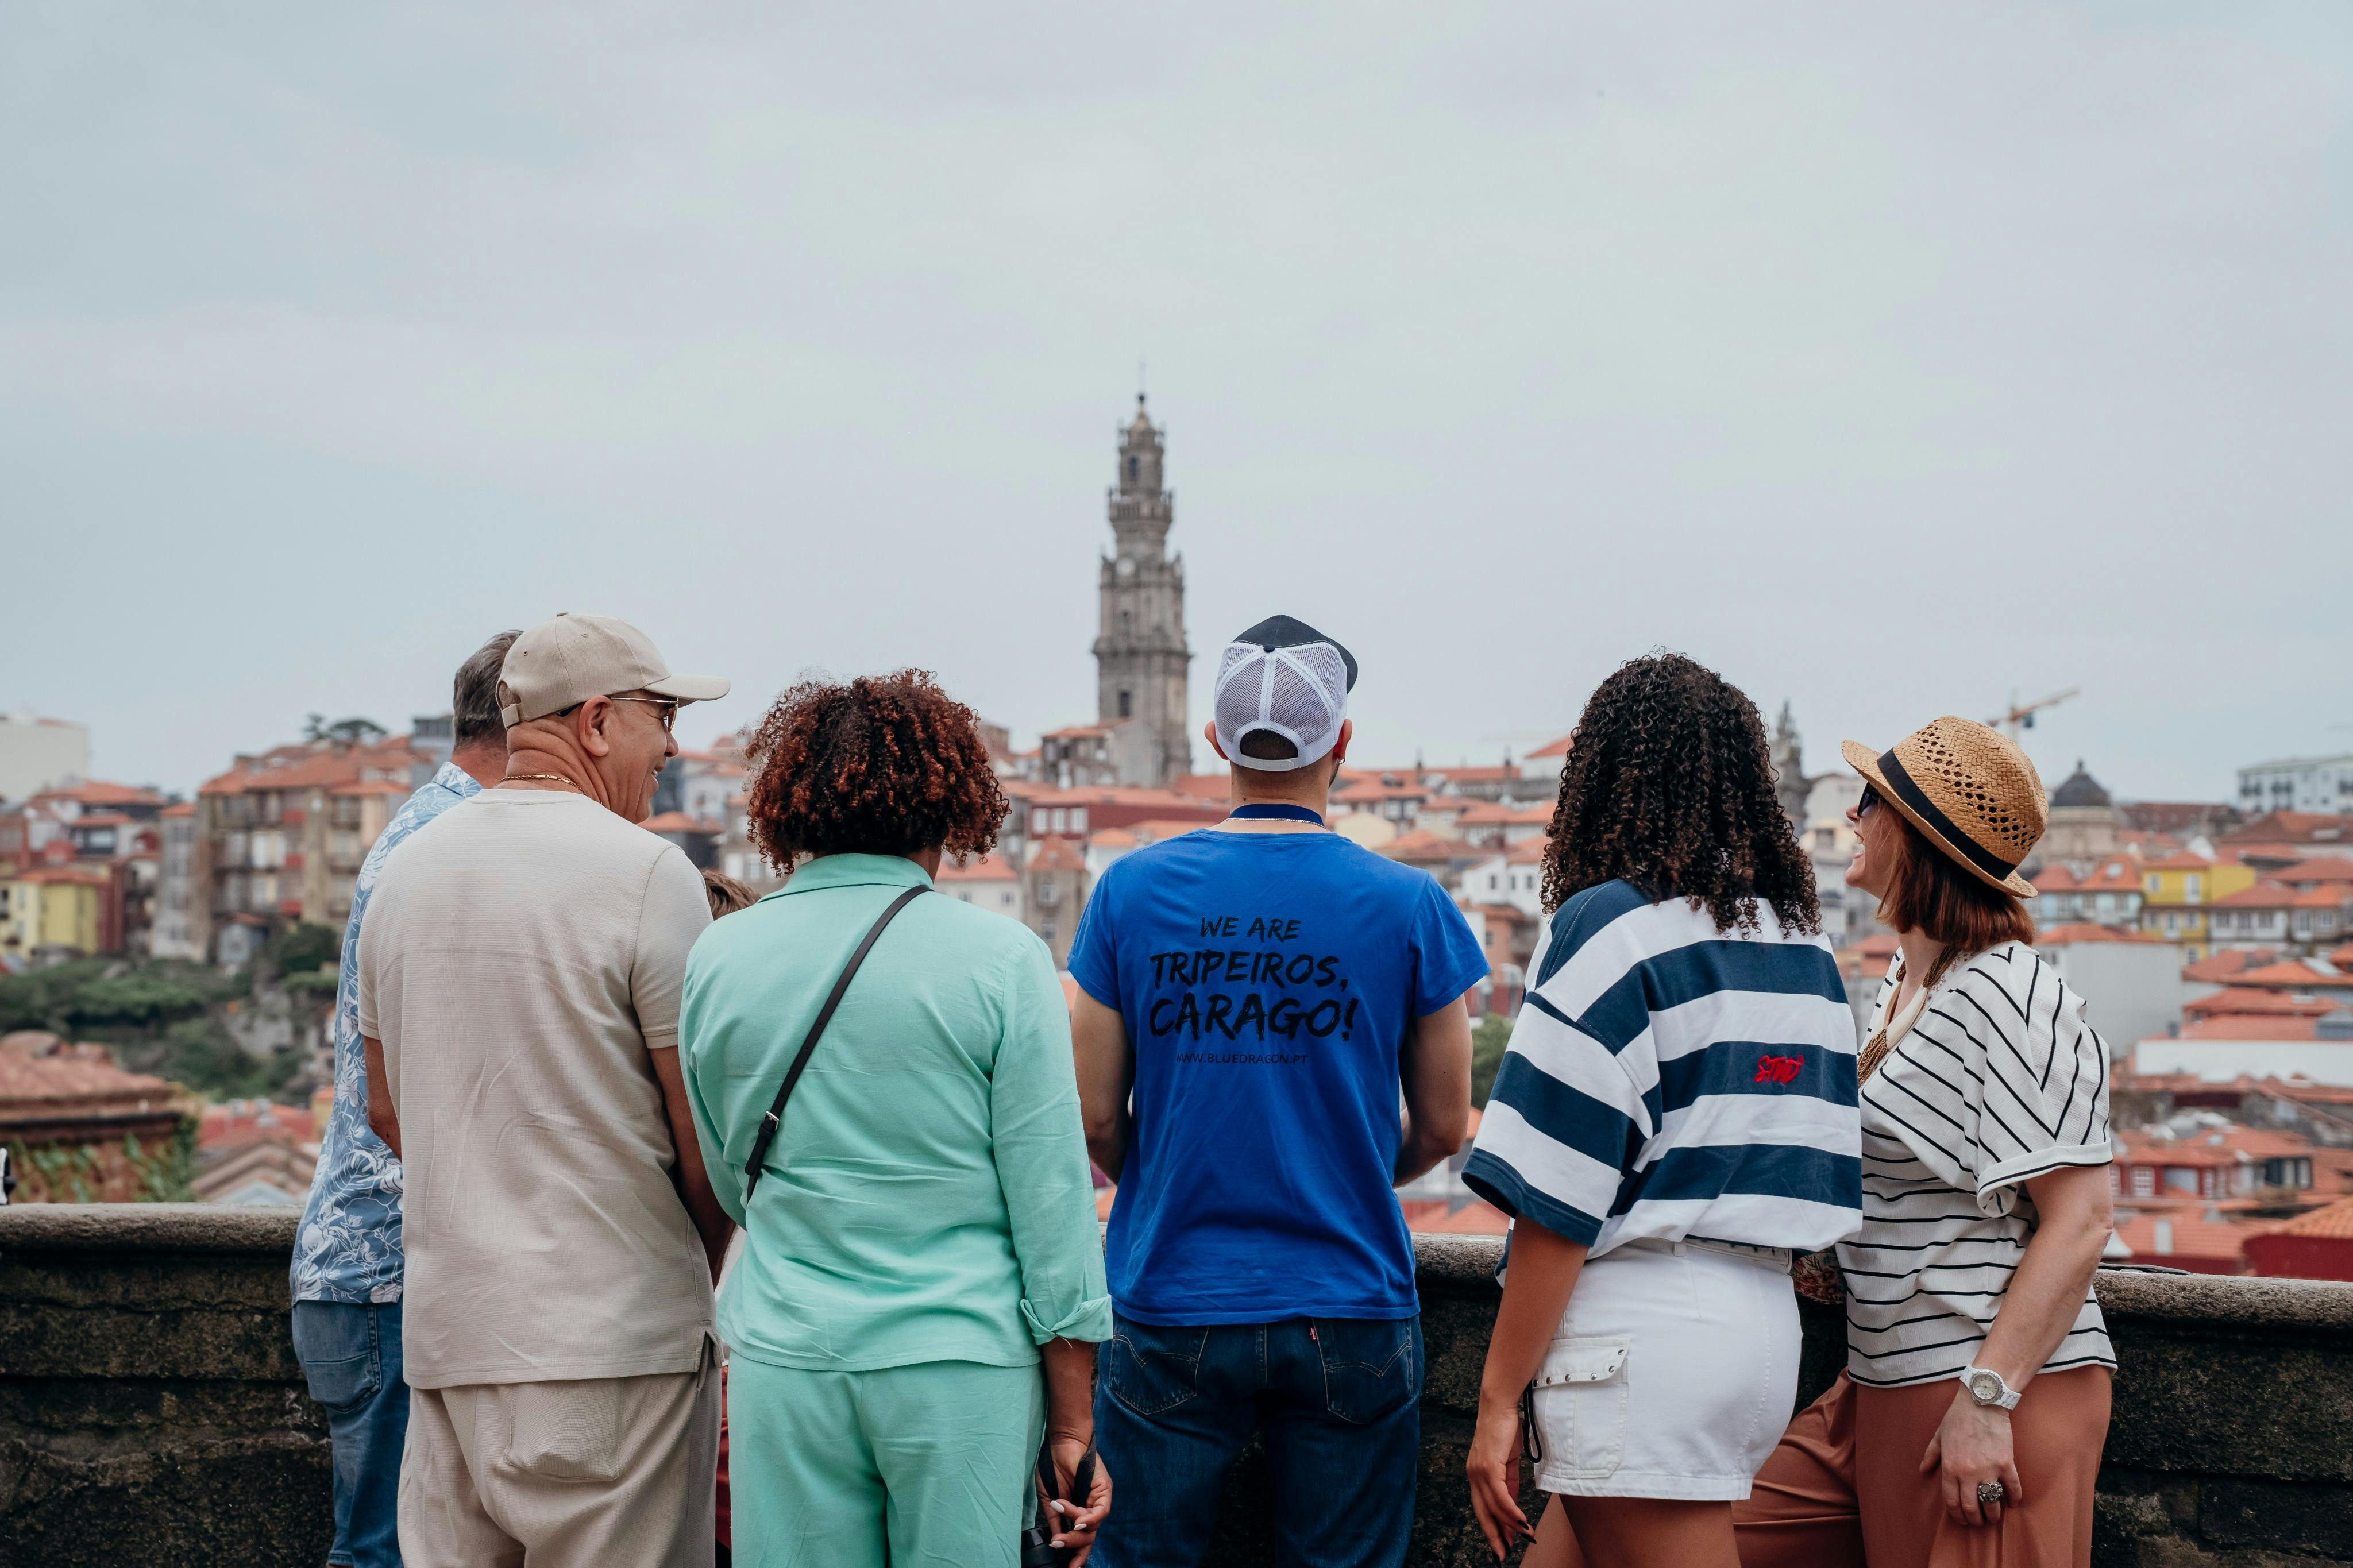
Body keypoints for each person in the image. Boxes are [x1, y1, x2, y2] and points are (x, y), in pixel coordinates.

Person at [1071, 614, 1489, 1568]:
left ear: (1216, 742)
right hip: (1349, 1299)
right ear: (1341, 743)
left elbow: (1096, 1114)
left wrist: (1175, 1170)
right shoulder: (1409, 902)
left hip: (1173, 1291)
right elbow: (1442, 1121)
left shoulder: (1128, 892)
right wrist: (1345, 1166)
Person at [681, 670, 1114, 1568]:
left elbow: (730, 1173)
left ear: (789, 806)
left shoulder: (720, 956)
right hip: (960, 1358)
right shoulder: (1003, 959)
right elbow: (1052, 1201)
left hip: (789, 1353)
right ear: (948, 802)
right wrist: (1073, 1422)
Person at [1460, 652, 1861, 1568]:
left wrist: (1494, 1402)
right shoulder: (1802, 941)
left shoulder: (1611, 925)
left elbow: (1557, 1193)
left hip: (1639, 1336)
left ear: (1604, 777)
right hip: (1762, 1331)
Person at [356, 611, 735, 1568]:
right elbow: (702, 1141)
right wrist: (706, 1259)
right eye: (663, 713)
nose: (674, 743)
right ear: (599, 721)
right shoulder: (651, 873)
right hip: (616, 1350)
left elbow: (384, 1108)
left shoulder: (402, 873)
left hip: (452, 1343)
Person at [1732, 717, 2115, 1568]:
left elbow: (2083, 1218)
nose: (1854, 817)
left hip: (1987, 1393)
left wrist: (1988, 1396)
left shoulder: (2014, 994)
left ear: (1916, 834)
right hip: (1880, 1381)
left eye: (1873, 801)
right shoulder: (1905, 984)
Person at [289, 629, 516, 1568]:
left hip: (364, 1273)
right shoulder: (449, 846)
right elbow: (406, 1096)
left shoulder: (425, 828)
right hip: (389, 1273)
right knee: (385, 1554)